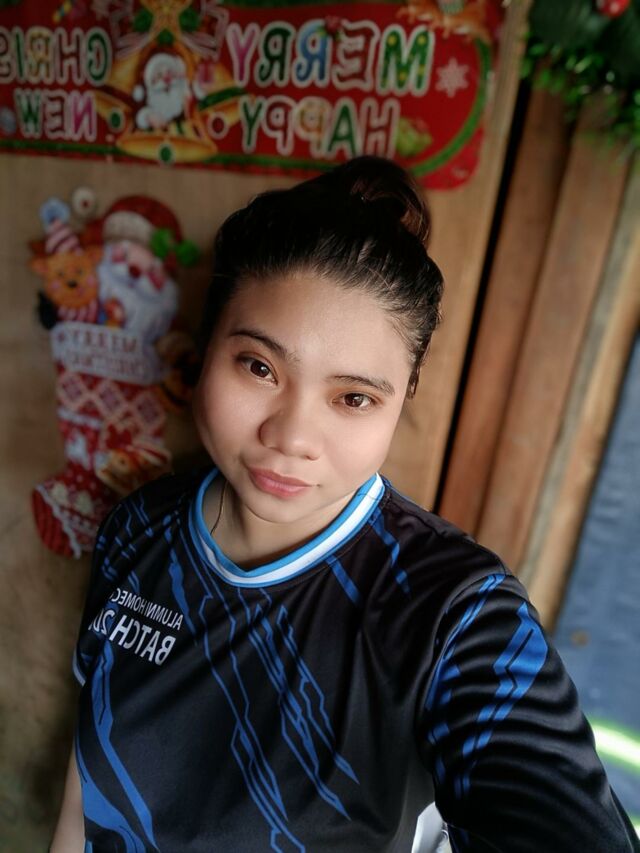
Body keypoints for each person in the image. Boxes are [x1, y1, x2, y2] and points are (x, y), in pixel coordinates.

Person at [51, 156, 639, 852]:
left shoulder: (452, 614)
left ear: (403, 397)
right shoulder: (138, 528)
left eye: (353, 398)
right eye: (259, 367)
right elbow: (84, 789)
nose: (291, 437)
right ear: (205, 348)